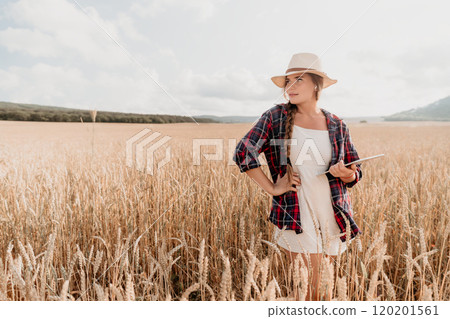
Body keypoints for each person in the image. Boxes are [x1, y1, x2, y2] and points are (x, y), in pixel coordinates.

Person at [233, 52, 363, 301]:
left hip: (334, 219)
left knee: (321, 294)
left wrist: (347, 174)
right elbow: (244, 152)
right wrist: (272, 188)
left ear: (317, 84)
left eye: (298, 80)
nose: (289, 87)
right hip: (297, 217)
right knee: (309, 295)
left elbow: (355, 172)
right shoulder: (275, 117)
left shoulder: (337, 124)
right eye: (287, 81)